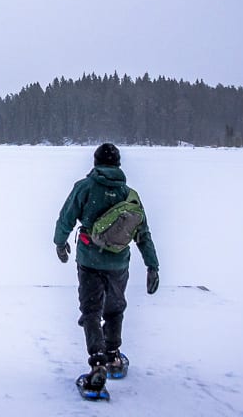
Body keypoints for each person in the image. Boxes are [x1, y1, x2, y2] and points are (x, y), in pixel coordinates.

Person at [53, 143, 159, 391]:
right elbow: (143, 233)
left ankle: (97, 363)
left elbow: (66, 217)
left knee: (91, 311)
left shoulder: (85, 187)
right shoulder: (129, 194)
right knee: (114, 308)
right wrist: (152, 265)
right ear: (118, 165)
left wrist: (60, 243)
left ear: (96, 162)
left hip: (89, 260)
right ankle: (112, 354)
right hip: (118, 262)